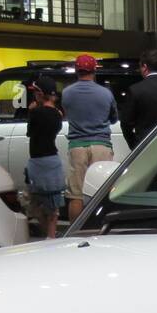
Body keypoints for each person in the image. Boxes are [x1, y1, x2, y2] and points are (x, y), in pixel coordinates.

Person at [60, 54, 118, 219]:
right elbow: (113, 118)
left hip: (77, 146)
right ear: (94, 70)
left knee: (76, 195)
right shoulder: (106, 93)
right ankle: (100, 229)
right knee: (102, 193)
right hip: (101, 146)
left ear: (77, 70)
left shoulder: (67, 93)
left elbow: (66, 113)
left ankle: (74, 233)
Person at [23, 74, 66, 239]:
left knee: (34, 201)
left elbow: (30, 133)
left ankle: (45, 233)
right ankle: (51, 235)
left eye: (36, 91)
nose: (34, 94)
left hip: (37, 161)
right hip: (52, 160)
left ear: (41, 93)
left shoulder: (36, 112)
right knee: (53, 202)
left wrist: (31, 112)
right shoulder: (58, 114)